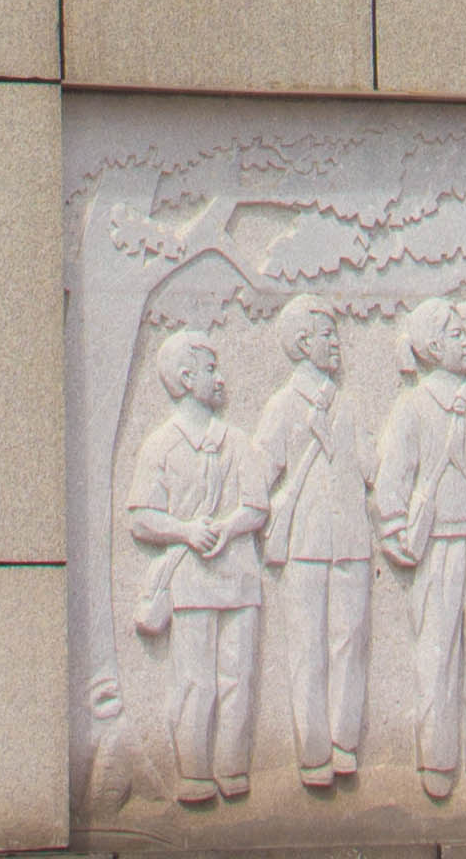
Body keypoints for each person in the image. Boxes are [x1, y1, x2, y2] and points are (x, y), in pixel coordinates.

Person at [369, 298, 466, 801]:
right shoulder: (412, 407)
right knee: (437, 651)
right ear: (434, 347)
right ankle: (437, 760)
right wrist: (394, 532)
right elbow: (392, 477)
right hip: (438, 545)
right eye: (458, 336)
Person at [123, 331, 266, 805]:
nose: (220, 378)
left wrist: (227, 528)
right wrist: (186, 530)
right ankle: (195, 772)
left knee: (238, 676)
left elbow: (257, 506)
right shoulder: (161, 445)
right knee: (193, 679)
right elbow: (141, 518)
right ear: (185, 378)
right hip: (190, 581)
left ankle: (232, 766)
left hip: (239, 577)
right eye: (210, 369)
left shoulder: (238, 441)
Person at [247, 296, 374, 790]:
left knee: (350, 643)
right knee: (308, 648)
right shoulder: (282, 405)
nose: (336, 343)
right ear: (303, 343)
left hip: (352, 542)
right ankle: (314, 752)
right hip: (303, 542)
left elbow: (371, 467)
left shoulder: (351, 402)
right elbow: (260, 469)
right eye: (326, 334)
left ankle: (345, 745)